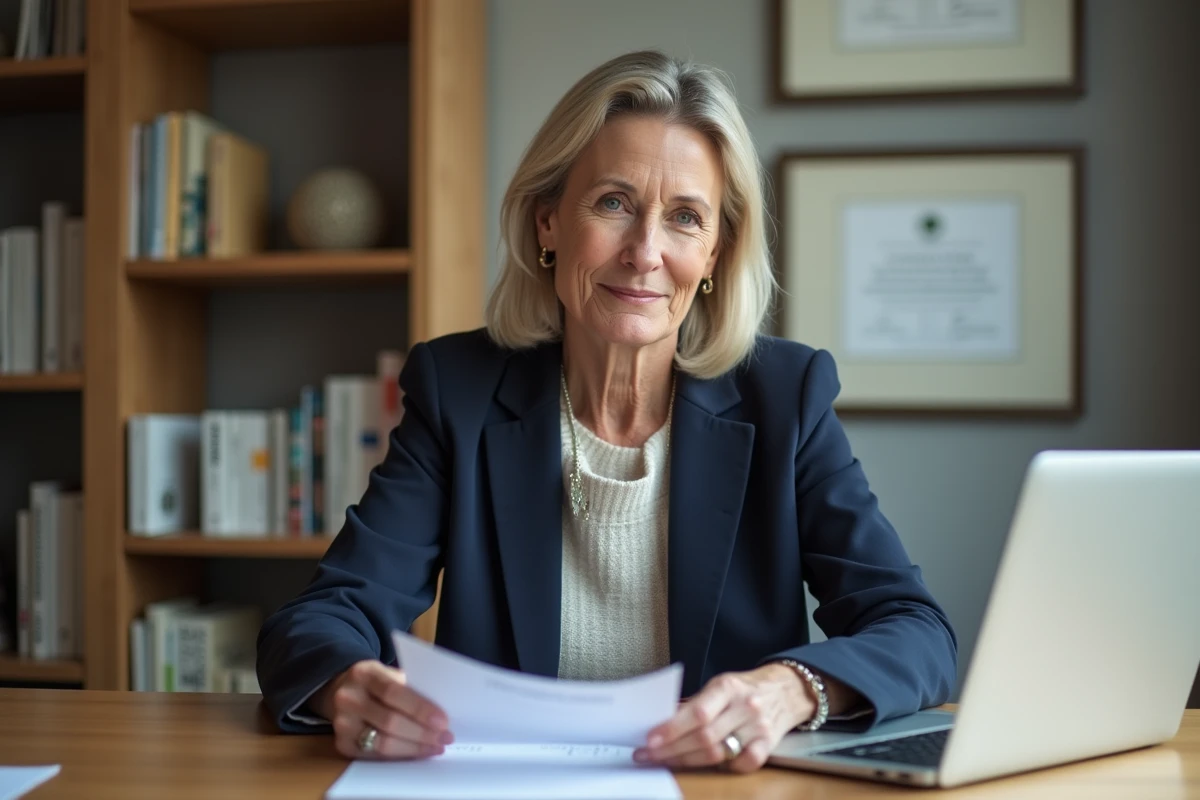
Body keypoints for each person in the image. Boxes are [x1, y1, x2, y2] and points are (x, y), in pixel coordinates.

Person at [257, 49, 956, 774]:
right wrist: (347, 684)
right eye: (613, 204)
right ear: (548, 222)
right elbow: (325, 616)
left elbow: (916, 631)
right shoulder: (458, 389)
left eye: (686, 218)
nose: (646, 252)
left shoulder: (786, 397)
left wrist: (792, 689)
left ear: (716, 253)